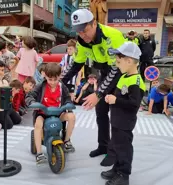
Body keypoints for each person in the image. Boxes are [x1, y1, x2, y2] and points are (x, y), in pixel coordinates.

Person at [62, 8, 126, 166]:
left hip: (123, 77)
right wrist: (59, 81)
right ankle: (103, 146)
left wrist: (98, 93)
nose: (82, 35)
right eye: (78, 32)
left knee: (118, 119)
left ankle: (114, 152)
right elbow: (76, 65)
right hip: (105, 73)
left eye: (85, 30)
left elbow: (116, 69)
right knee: (101, 113)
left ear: (95, 23)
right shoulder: (82, 41)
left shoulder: (113, 36)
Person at [101, 42, 146, 185]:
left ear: (129, 61)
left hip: (125, 122)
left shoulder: (136, 81)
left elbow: (134, 104)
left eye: (118, 61)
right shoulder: (124, 76)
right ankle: (117, 168)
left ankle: (123, 175)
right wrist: (111, 97)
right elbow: (120, 97)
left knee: (124, 148)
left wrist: (116, 101)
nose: (116, 63)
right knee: (116, 145)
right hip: (116, 120)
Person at [26, 63, 76, 164]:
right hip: (43, 113)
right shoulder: (41, 86)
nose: (53, 82)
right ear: (45, 76)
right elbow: (30, 96)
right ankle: (39, 153)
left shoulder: (62, 87)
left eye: (55, 79)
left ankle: (66, 141)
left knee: (71, 116)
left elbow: (67, 98)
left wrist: (68, 104)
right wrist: (32, 102)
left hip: (58, 113)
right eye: (50, 79)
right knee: (38, 124)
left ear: (59, 76)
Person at [0, 60, 21, 129]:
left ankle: (6, 117)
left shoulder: (5, 81)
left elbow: (9, 96)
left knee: (18, 120)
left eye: (2, 70)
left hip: (5, 107)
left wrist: (11, 94)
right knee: (9, 125)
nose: (1, 72)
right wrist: (6, 94)